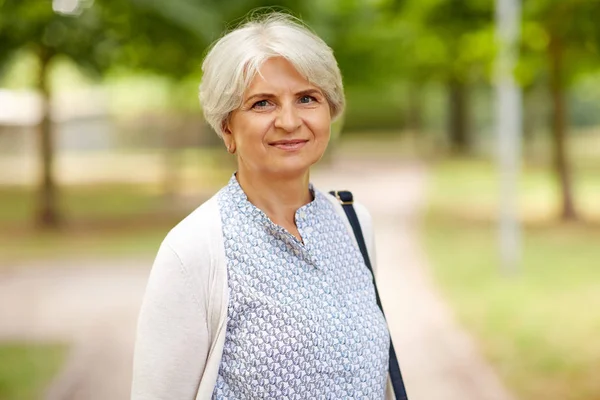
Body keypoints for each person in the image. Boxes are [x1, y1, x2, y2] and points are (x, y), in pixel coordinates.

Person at [131, 12, 394, 400]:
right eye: (262, 104)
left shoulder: (354, 223)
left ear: (330, 111)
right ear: (227, 128)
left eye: (307, 98)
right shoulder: (194, 250)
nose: (289, 121)